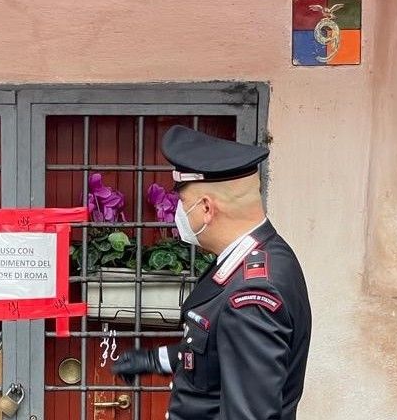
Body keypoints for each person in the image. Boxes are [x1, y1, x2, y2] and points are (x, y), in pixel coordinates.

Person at [112, 126, 312, 419]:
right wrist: (156, 359)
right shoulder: (261, 255)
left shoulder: (251, 295)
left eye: (183, 203)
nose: (181, 214)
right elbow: (215, 352)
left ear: (206, 208)